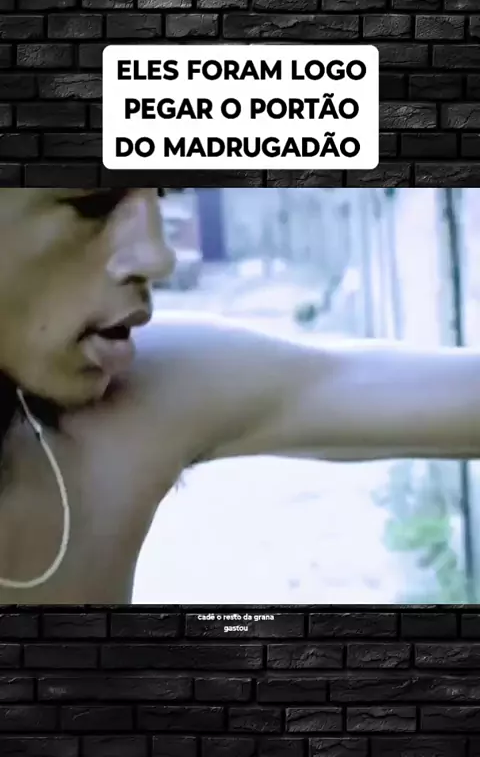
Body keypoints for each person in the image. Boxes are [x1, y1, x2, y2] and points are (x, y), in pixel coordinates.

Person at [0, 187, 478, 604]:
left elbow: (375, 388)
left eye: (160, 194)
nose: (159, 257)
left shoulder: (121, 415)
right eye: (92, 202)